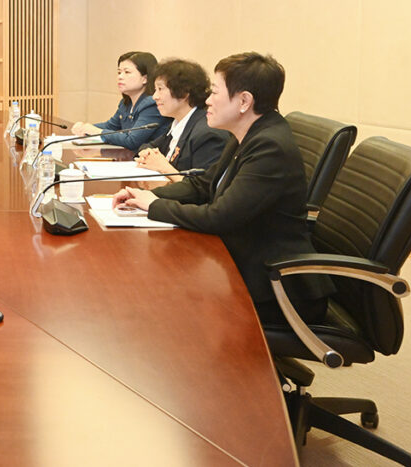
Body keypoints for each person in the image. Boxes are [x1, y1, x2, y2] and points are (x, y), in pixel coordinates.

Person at [113, 52, 333, 325]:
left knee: (164, 300)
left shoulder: (269, 147)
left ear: (244, 101)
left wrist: (155, 206)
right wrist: (147, 195)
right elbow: (203, 185)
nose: (207, 100)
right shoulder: (246, 133)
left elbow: (219, 216)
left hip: (277, 287)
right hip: (244, 263)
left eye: (215, 92)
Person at [134, 59, 229, 177]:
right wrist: (148, 154)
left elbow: (202, 186)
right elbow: (149, 146)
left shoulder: (208, 134)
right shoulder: (178, 123)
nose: (154, 96)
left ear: (184, 93)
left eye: (160, 89)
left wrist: (164, 167)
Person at [72, 51, 170, 152]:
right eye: (119, 72)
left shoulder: (152, 104)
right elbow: (111, 126)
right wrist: (85, 128)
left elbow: (132, 141)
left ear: (145, 79)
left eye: (127, 72)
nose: (120, 77)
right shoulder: (126, 103)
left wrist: (97, 131)